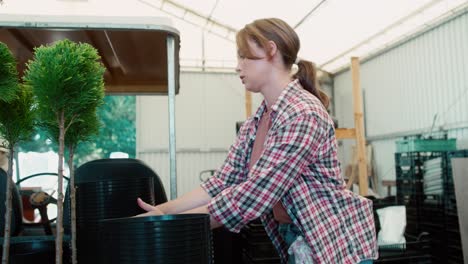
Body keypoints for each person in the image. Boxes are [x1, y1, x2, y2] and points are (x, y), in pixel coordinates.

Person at [137, 18, 377, 263]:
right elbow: (222, 182)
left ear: (270, 50)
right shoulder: (256, 122)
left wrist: (169, 226)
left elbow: (256, 193)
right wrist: (163, 211)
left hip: (334, 243)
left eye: (244, 56)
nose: (237, 66)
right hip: (297, 239)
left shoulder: (303, 113)